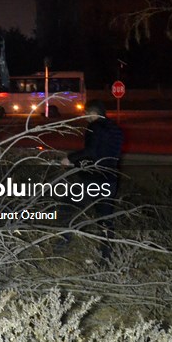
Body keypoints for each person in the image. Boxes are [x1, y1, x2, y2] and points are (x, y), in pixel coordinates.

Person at [60, 99, 123, 258]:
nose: (85, 116)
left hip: (93, 178)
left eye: (87, 113)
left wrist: (70, 159)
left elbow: (91, 152)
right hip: (111, 177)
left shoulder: (95, 127)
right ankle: (106, 255)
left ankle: (62, 246)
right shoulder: (116, 129)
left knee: (68, 208)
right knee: (105, 217)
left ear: (93, 113)